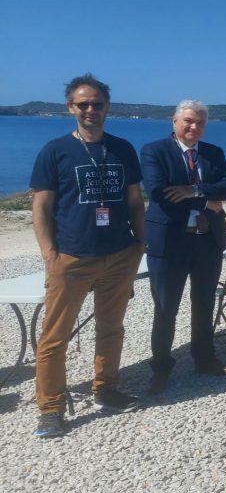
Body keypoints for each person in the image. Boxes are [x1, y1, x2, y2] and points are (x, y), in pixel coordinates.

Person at [29, 74, 146, 438]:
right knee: (55, 336)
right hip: (72, 256)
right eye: (83, 104)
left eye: (97, 104)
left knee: (111, 327)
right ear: (71, 107)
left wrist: (140, 244)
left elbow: (134, 201)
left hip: (119, 253)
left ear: (107, 107)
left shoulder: (122, 148)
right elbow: (41, 207)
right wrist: (50, 255)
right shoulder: (55, 151)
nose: (90, 110)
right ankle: (50, 408)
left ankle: (106, 388)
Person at [142, 100, 226, 394]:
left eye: (199, 123)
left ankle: (204, 359)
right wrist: (208, 201)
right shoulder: (154, 151)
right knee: (165, 308)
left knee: (204, 303)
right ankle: (161, 368)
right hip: (170, 243)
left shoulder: (213, 152)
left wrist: (193, 191)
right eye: (188, 121)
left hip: (207, 240)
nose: (194, 127)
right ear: (174, 121)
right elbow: (159, 192)